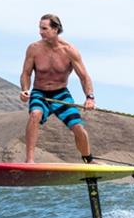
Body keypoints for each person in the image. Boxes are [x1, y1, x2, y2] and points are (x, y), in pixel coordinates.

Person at [19, 13, 95, 164]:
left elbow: (84, 76)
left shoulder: (69, 50)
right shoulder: (34, 49)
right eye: (40, 28)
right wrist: (25, 89)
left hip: (61, 94)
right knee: (35, 114)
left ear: (56, 29)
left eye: (44, 28)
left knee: (78, 127)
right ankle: (30, 160)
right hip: (39, 93)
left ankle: (88, 160)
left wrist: (90, 97)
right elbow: (26, 73)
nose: (40, 32)